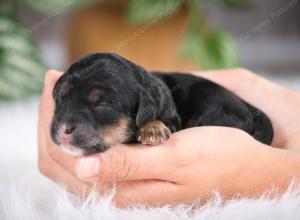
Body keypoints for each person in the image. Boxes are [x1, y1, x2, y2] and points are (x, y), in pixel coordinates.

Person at [38, 68, 300, 207]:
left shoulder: (153, 102)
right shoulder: (136, 88)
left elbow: (171, 119)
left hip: (209, 103)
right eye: (62, 98)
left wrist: (273, 170)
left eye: (99, 105)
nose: (64, 123)